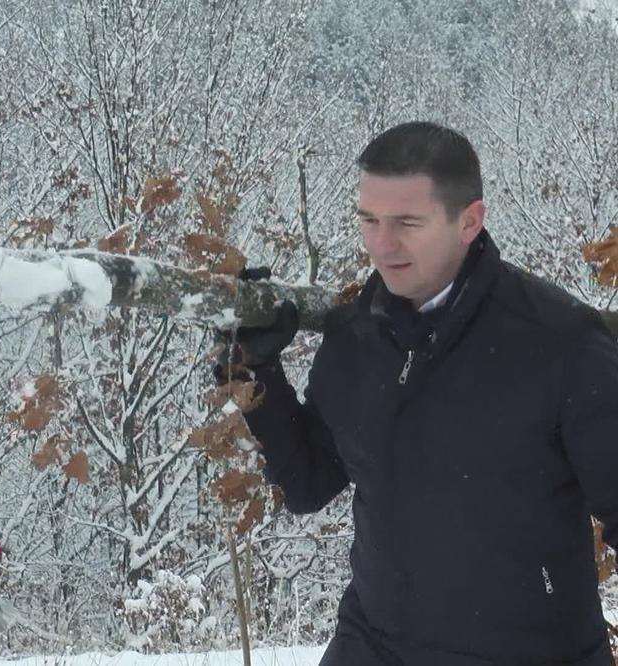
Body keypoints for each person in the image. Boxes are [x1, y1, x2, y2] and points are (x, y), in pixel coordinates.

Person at [216, 122, 618, 665]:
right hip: (374, 645)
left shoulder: (559, 344)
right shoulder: (355, 337)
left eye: (407, 222)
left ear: (469, 221)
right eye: (369, 221)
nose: (382, 244)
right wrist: (258, 368)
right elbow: (309, 482)